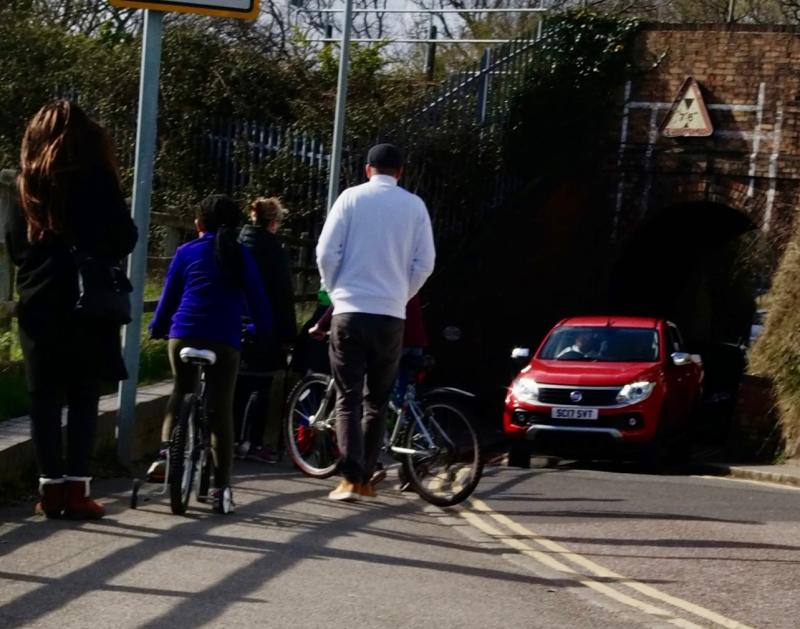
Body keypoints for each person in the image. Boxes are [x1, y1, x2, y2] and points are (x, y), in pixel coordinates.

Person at [6, 100, 138, 519]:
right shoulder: (97, 177)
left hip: (39, 297)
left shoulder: (21, 183)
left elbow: (14, 246)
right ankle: (78, 489)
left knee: (43, 397)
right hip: (86, 299)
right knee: (83, 395)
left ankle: (49, 491)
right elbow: (125, 237)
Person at [316, 143, 436, 501]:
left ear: (368, 169)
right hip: (391, 316)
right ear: (400, 172)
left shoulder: (350, 199)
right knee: (377, 402)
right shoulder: (415, 206)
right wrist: (400, 295)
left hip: (350, 310)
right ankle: (366, 479)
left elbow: (325, 252)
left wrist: (335, 290)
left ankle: (350, 478)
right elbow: (425, 263)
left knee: (348, 397)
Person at [149, 194, 272, 514]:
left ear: (199, 224)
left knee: (181, 389)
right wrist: (262, 330)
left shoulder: (185, 251)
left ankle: (164, 454)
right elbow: (258, 300)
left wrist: (157, 327)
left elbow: (169, 296)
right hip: (224, 339)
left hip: (183, 333)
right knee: (220, 411)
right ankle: (220, 489)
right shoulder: (241, 255)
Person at [234, 197, 297, 463]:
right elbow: (283, 294)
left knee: (237, 385)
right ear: (273, 223)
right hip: (265, 325)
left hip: (235, 322)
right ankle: (255, 443)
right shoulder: (275, 251)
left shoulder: (237, 244)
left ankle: (234, 439)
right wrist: (288, 335)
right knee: (261, 384)